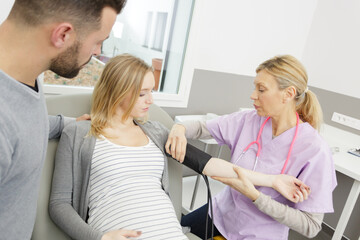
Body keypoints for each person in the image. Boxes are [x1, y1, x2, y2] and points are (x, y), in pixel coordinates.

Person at [49, 54, 311, 240]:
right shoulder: (79, 133)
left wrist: (273, 181)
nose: (151, 100)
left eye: (152, 91)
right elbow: (59, 205)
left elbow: (211, 164)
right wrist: (100, 238)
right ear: (116, 91)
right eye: (142, 93)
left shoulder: (153, 131)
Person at [166, 55, 337, 239]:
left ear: (288, 94)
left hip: (258, 234)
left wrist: (256, 197)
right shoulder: (249, 120)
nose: (253, 95)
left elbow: (310, 226)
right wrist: (179, 128)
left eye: (261, 89)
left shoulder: (315, 150)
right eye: (255, 87)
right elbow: (201, 128)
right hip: (220, 214)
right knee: (168, 233)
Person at [0, 0, 127, 239]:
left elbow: (23, 123)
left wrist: (72, 124)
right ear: (63, 34)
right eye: (98, 40)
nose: (97, 51)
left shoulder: (23, 73)